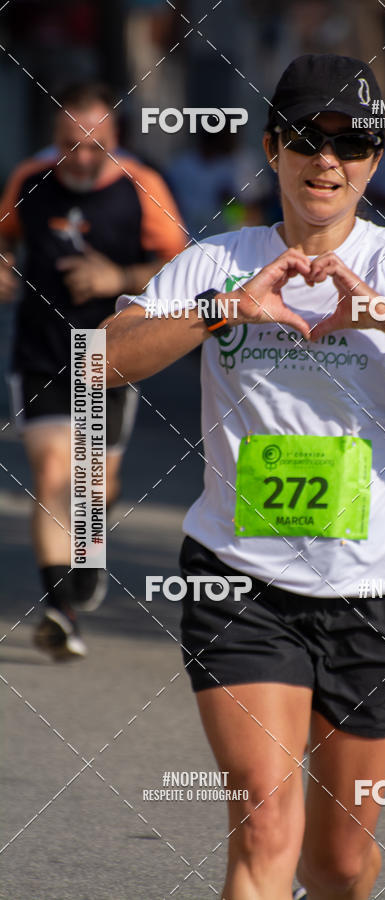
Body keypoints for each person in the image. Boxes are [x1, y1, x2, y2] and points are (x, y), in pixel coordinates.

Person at [104, 55, 385, 900]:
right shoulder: (216, 261)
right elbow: (102, 365)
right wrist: (222, 308)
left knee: (336, 862)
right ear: (273, 148)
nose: (327, 159)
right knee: (266, 832)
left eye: (352, 141)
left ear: (374, 159)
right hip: (242, 580)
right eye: (307, 136)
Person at [0, 81, 185, 660]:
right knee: (55, 474)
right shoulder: (30, 180)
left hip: (110, 355)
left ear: (116, 141)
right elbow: (4, 237)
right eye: (68, 145)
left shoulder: (142, 186)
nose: (80, 158)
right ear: (52, 140)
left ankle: (88, 547)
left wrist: (119, 280)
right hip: (41, 351)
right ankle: (60, 611)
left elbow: (180, 268)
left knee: (93, 484)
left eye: (95, 146)